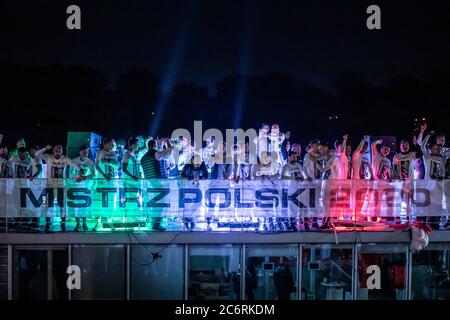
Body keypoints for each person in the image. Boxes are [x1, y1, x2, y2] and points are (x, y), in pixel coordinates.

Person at [35, 145, 82, 232]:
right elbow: (36, 154)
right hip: (50, 185)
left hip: (61, 185)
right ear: (53, 151)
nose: (58, 153)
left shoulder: (64, 158)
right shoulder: (49, 157)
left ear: (62, 152)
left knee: (62, 205)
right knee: (49, 206)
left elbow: (73, 163)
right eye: (56, 151)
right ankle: (48, 223)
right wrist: (45, 148)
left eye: (59, 151)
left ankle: (63, 223)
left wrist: (80, 169)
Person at [141, 138, 173, 230]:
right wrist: (167, 142)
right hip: (158, 183)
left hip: (149, 184)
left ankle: (154, 223)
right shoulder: (156, 154)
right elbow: (169, 151)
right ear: (154, 145)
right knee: (161, 204)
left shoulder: (143, 158)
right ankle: (156, 224)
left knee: (154, 204)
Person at [69, 145, 96, 231]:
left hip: (85, 187)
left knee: (85, 205)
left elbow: (93, 174)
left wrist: (85, 177)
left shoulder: (90, 162)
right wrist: (77, 177)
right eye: (84, 152)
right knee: (76, 205)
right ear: (79, 152)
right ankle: (77, 223)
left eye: (87, 152)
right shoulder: (73, 161)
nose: (86, 154)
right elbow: (70, 174)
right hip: (75, 186)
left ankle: (84, 223)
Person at [180, 154, 209, 230]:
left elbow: (206, 175)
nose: (197, 164)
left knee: (198, 203)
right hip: (188, 187)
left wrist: (200, 177)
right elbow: (181, 176)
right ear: (192, 161)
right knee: (188, 205)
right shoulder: (187, 165)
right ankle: (190, 219)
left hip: (198, 187)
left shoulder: (202, 165)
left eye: (199, 162)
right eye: (196, 162)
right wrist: (192, 178)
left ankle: (188, 218)